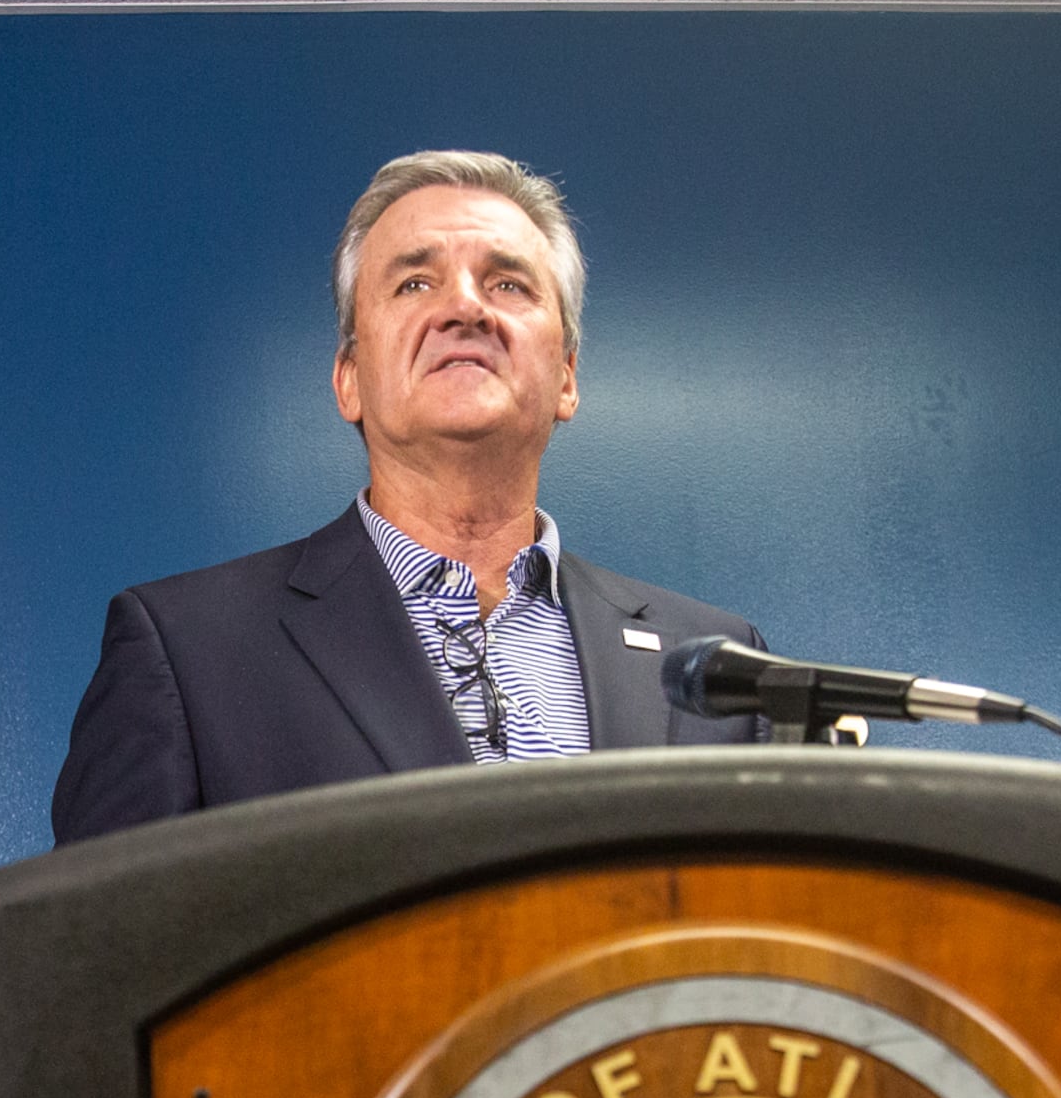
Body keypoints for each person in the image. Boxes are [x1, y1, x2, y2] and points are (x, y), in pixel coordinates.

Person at [50, 149, 765, 843]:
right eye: (415, 284)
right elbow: (105, 924)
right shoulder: (188, 649)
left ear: (568, 379)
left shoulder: (720, 665)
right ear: (349, 380)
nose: (466, 307)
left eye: (508, 285)